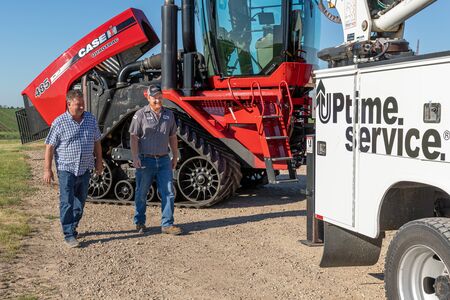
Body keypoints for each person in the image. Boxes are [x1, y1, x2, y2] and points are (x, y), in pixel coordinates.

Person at [43, 90, 103, 248]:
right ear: (69, 104)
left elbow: (97, 141)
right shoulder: (59, 122)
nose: (82, 106)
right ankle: (68, 233)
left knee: (80, 201)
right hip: (66, 169)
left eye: (83, 103)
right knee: (67, 202)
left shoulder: (90, 119)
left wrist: (99, 162)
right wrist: (47, 169)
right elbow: (49, 147)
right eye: (78, 104)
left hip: (85, 168)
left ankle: (73, 225)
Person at [129, 84, 182, 235]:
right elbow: (133, 137)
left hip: (164, 159)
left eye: (159, 97)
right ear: (148, 97)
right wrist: (135, 157)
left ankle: (167, 224)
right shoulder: (139, 115)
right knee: (141, 192)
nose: (157, 100)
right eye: (154, 98)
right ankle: (139, 222)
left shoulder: (169, 115)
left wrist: (175, 155)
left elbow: (172, 136)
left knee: (168, 193)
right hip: (146, 160)